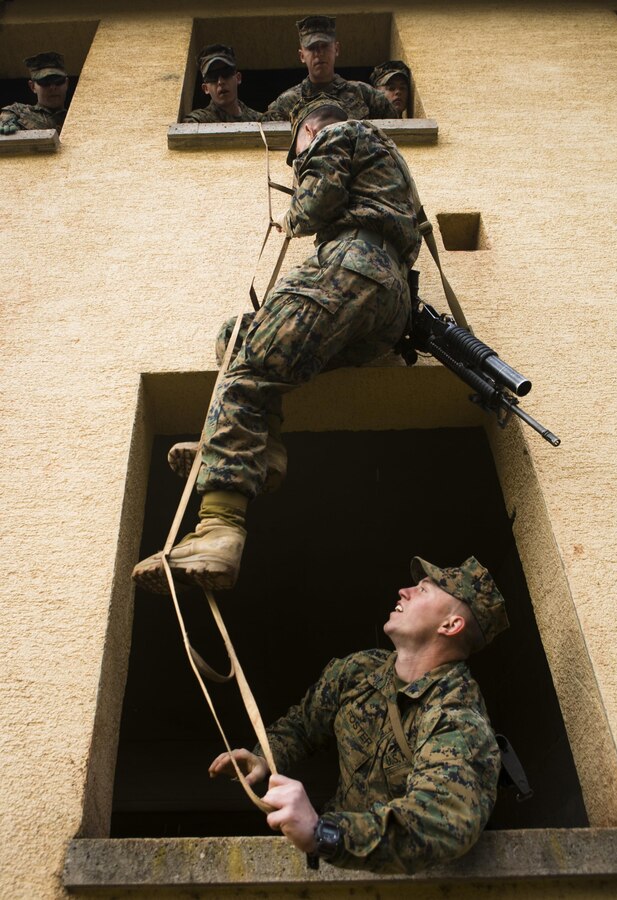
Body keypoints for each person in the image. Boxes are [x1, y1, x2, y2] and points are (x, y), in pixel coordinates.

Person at [132, 96, 420, 595]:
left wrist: (295, 207)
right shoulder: (391, 163)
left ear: (307, 131)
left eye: (296, 150)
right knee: (239, 336)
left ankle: (218, 530)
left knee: (244, 377)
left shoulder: (336, 135)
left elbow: (315, 206)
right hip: (388, 304)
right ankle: (259, 449)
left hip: (348, 266)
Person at [209, 554, 509, 873]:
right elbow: (301, 726)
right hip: (335, 867)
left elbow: (442, 821)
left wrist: (322, 833)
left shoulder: (456, 712)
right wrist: (264, 757)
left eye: (423, 590)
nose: (403, 591)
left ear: (450, 624)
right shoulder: (358, 671)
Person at [263, 16, 397, 121]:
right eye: (312, 48)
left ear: (336, 49)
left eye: (325, 46)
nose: (319, 53)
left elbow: (396, 132)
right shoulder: (287, 102)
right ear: (302, 55)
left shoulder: (364, 94)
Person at [183, 44, 262, 124]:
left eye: (226, 73)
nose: (220, 82)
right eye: (212, 76)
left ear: (238, 78)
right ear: (205, 88)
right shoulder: (198, 121)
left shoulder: (259, 121)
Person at [0, 52, 68, 135]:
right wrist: (7, 122)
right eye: (45, 82)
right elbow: (7, 116)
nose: (53, 87)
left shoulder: (79, 119)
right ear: (32, 86)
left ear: (67, 84)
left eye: (58, 81)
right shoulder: (18, 113)